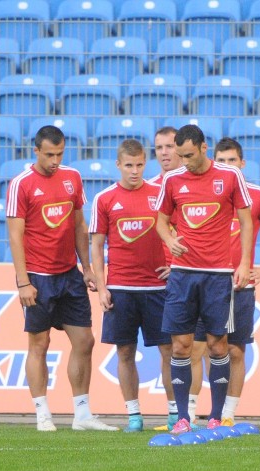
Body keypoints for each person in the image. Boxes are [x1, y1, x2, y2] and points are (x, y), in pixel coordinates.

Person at [6, 125, 117, 432]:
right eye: (50, 154)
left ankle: (82, 414)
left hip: (68, 274)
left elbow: (79, 226)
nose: (55, 160)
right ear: (36, 151)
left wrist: (87, 268)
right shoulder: (21, 184)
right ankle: (43, 413)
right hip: (38, 277)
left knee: (85, 340)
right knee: (39, 343)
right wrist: (23, 281)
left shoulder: (72, 178)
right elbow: (15, 236)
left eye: (60, 153)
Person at [155, 124, 254, 434]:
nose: (184, 161)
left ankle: (216, 415)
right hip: (183, 275)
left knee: (217, 344)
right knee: (181, 345)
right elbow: (160, 221)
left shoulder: (229, 176)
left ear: (203, 148)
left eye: (188, 155)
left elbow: (246, 221)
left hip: (218, 274)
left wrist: (246, 263)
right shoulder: (172, 180)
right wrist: (169, 241)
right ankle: (183, 417)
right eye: (179, 155)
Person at [189, 138, 260, 427]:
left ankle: (227, 414)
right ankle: (191, 414)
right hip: (204, 283)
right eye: (221, 161)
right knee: (196, 349)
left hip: (239, 286)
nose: (226, 166)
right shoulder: (206, 192)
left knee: (234, 350)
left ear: (242, 164)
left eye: (232, 161)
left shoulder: (258, 196)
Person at [90, 139, 172, 433]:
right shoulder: (104, 199)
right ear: (118, 165)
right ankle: (134, 416)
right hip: (121, 288)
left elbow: (177, 230)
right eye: (129, 165)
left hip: (156, 288)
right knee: (125, 352)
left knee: (168, 350)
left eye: (139, 165)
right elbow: (97, 245)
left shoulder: (160, 194)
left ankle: (175, 415)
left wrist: (173, 266)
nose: (135, 171)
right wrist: (102, 286)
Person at [148, 126, 187, 428]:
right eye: (159, 147)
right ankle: (176, 413)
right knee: (171, 349)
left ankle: (208, 414)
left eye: (169, 146)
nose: (164, 153)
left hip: (193, 276)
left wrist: (180, 264)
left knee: (201, 347)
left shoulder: (192, 184)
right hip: (159, 283)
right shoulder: (150, 189)